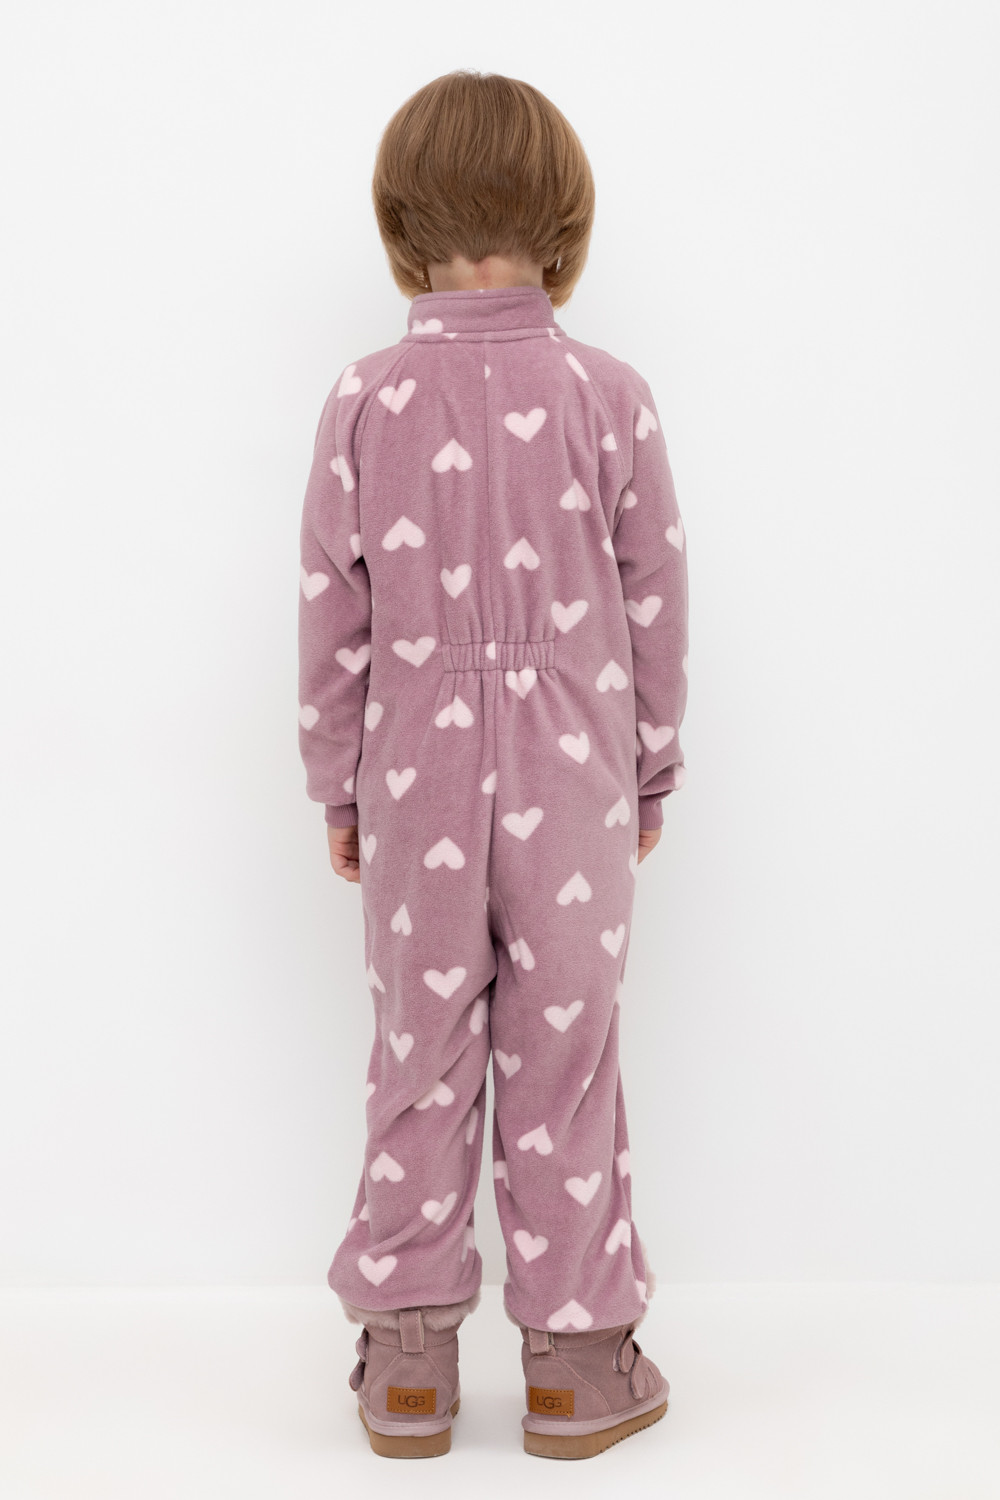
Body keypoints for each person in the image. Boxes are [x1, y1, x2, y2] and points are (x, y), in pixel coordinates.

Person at [297, 69, 689, 1460]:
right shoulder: (609, 396)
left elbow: (332, 615)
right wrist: (651, 768)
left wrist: (339, 783)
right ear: (563, 219)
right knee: (564, 1057)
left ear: (403, 221)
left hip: (415, 767)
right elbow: (655, 601)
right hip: (573, 769)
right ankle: (577, 1361)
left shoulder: (365, 400)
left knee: (421, 1051)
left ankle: (408, 1363)